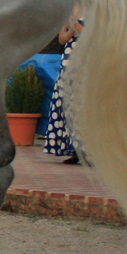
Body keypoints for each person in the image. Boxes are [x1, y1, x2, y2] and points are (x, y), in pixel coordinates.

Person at [43, 11, 84, 163]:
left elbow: (97, 36)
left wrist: (77, 26)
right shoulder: (70, 10)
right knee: (66, 103)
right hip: (69, 61)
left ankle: (87, 151)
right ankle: (72, 149)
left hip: (87, 59)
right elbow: (61, 39)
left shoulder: (95, 9)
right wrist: (71, 29)